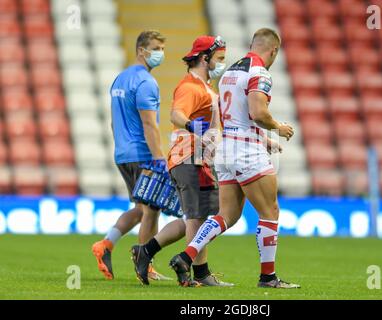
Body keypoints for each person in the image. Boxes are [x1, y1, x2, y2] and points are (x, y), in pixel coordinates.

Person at [169, 28, 300, 288]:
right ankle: (268, 277)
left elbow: (230, 114)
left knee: (226, 215)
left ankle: (186, 256)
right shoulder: (259, 71)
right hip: (247, 151)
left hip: (226, 149)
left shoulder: (229, 72)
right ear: (273, 50)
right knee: (270, 210)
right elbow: (258, 112)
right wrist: (278, 128)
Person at [130, 35, 233, 287]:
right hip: (190, 158)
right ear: (204, 58)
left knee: (196, 219)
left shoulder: (206, 88)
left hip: (198, 159)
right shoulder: (191, 87)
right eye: (219, 58)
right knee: (200, 219)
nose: (222, 64)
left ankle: (146, 251)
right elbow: (176, 114)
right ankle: (199, 273)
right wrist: (190, 125)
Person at [91, 30, 174, 281]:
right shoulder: (146, 82)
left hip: (123, 153)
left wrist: (121, 148)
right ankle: (145, 266)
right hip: (142, 152)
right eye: (156, 48)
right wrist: (160, 158)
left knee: (140, 209)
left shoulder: (120, 79)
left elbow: (114, 122)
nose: (161, 53)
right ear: (141, 50)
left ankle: (106, 244)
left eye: (162, 48)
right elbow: (149, 124)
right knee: (152, 210)